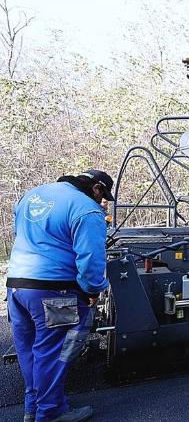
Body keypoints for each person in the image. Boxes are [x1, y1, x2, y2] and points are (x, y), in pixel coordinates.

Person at [6, 170, 113, 422]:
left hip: (17, 288)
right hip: (56, 290)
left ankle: (32, 408)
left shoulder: (32, 195)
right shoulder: (87, 209)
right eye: (103, 195)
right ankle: (51, 412)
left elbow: (19, 235)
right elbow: (91, 260)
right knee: (54, 351)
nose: (102, 202)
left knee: (29, 350)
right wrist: (92, 290)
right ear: (96, 187)